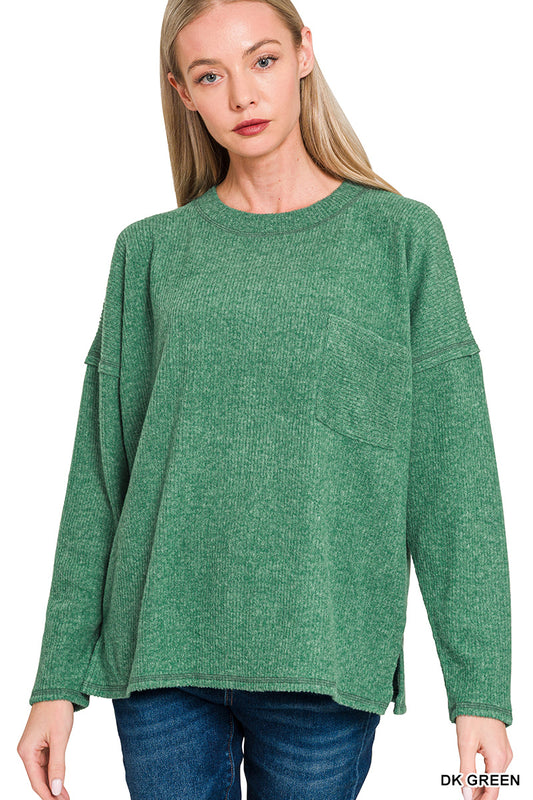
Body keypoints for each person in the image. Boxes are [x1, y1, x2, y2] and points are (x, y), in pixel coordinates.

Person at [17, 0, 514, 798]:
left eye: (262, 60)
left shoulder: (398, 239)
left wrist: (479, 693)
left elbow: (452, 479)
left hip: (323, 657)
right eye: (210, 75)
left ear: (304, 53)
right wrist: (55, 680)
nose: (242, 94)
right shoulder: (149, 253)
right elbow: (100, 479)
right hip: (162, 657)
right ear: (183, 93)